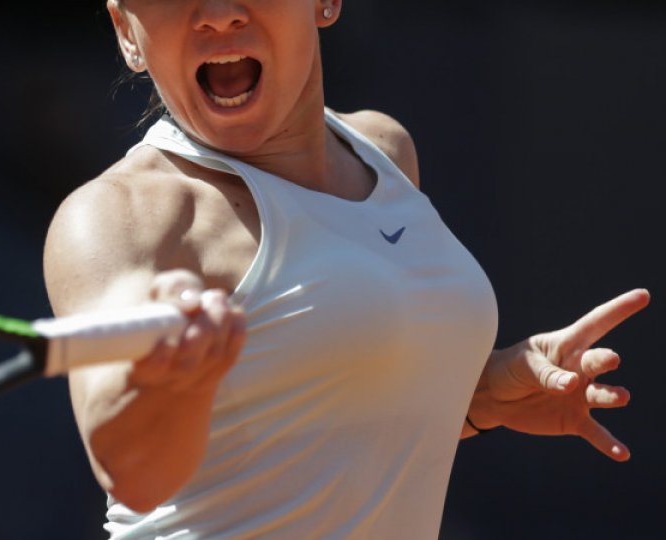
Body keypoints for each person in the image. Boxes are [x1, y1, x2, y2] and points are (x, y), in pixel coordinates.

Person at [42, 1, 651, 538]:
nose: (218, 11)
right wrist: (170, 382)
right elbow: (129, 470)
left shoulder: (385, 150)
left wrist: (483, 395)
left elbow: (312, 412)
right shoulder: (115, 218)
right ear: (127, 32)